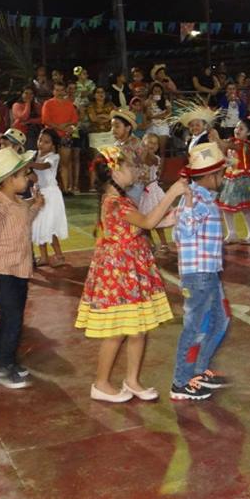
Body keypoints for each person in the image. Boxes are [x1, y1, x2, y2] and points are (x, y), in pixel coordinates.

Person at [76, 145, 186, 403]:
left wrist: (171, 218)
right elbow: (146, 222)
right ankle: (101, 384)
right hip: (119, 274)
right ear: (115, 171)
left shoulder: (123, 201)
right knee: (117, 332)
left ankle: (132, 380)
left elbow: (142, 224)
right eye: (130, 166)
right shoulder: (115, 202)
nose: (136, 170)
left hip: (131, 270)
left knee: (138, 329)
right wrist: (171, 193)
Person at [0, 147, 44, 389]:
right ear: (9, 179)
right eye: (24, 175)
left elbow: (23, 222)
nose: (28, 179)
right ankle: (1, 366)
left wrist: (36, 205)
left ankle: (3, 360)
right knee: (12, 316)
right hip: (0, 268)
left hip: (19, 266)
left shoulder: (17, 202)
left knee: (13, 317)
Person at [170, 142, 230, 401]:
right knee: (194, 328)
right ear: (209, 176)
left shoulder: (203, 197)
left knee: (220, 320)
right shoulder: (195, 199)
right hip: (198, 275)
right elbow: (182, 232)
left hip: (209, 271)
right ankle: (180, 382)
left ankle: (197, 370)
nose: (223, 177)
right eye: (220, 173)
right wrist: (189, 203)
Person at [216, 118, 250, 245]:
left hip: (243, 179)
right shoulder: (231, 142)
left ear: (249, 133)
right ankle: (231, 233)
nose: (237, 130)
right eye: (236, 127)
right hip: (230, 178)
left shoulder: (246, 145)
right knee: (226, 207)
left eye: (241, 128)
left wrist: (217, 138)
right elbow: (226, 156)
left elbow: (230, 147)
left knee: (246, 208)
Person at [30, 128, 69, 268]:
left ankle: (59, 255)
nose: (41, 144)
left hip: (51, 195)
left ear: (53, 145)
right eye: (40, 140)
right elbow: (35, 176)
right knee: (39, 225)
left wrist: (28, 164)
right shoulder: (35, 156)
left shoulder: (53, 157)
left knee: (49, 227)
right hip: (39, 194)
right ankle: (44, 257)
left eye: (46, 142)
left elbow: (43, 166)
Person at [136, 133, 174, 253]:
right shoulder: (137, 156)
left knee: (157, 220)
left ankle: (164, 243)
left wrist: (143, 151)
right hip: (141, 192)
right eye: (150, 142)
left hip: (151, 192)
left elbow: (147, 160)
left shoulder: (155, 158)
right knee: (144, 220)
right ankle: (151, 243)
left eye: (155, 143)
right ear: (143, 142)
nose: (152, 145)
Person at [40, 83, 79, 195]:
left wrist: (67, 127)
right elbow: (45, 120)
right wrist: (61, 127)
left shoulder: (69, 104)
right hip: (50, 137)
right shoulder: (48, 103)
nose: (59, 92)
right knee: (48, 163)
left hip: (65, 136)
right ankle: (47, 187)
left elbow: (75, 120)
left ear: (64, 91)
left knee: (65, 163)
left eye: (61, 90)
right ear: (53, 91)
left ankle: (65, 189)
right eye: (57, 90)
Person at [110, 108, 150, 205]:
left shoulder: (136, 143)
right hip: (121, 183)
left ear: (128, 128)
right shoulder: (116, 144)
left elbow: (143, 162)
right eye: (112, 126)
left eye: (117, 126)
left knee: (132, 207)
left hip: (135, 184)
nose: (113, 129)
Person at [145, 82, 172, 157]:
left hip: (162, 126)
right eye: (155, 91)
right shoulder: (148, 102)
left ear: (162, 92)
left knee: (162, 150)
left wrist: (154, 117)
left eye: (159, 91)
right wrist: (149, 102)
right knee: (149, 149)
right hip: (151, 126)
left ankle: (161, 163)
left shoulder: (165, 101)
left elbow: (168, 114)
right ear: (152, 92)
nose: (157, 93)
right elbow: (147, 116)